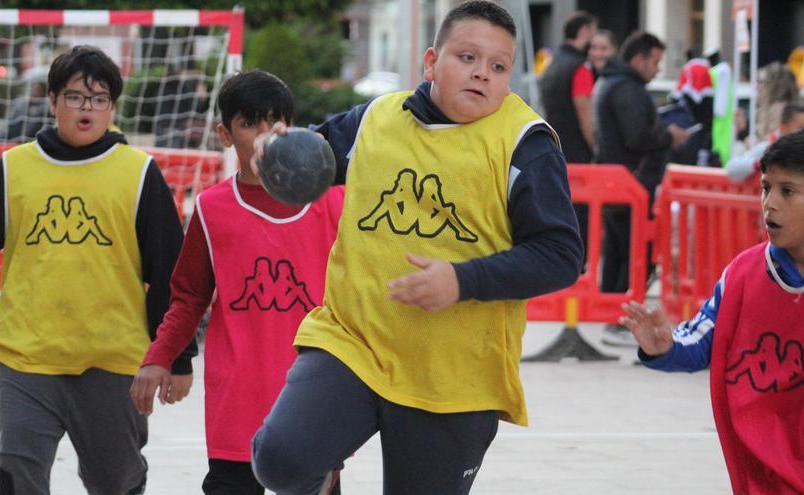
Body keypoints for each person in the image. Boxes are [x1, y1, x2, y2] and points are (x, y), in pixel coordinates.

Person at [249, 2, 583, 494]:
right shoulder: (375, 120)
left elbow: (561, 255)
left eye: (498, 66)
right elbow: (311, 156)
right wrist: (271, 153)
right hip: (353, 342)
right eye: (467, 57)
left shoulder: (525, 144)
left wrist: (461, 280)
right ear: (431, 63)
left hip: (455, 375)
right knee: (280, 459)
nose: (482, 74)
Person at [0, 45, 196, 494]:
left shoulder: (139, 173)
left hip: (113, 363)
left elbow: (170, 274)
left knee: (115, 482)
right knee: (17, 472)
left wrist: (174, 357)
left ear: (112, 107)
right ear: (52, 101)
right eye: (74, 96)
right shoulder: (13, 169)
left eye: (99, 98)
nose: (86, 108)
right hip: (26, 360)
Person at [129, 70, 344, 495]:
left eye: (275, 123)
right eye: (250, 124)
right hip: (236, 398)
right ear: (225, 134)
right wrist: (160, 356)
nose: (265, 136)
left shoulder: (331, 201)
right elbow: (188, 296)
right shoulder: (212, 208)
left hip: (311, 397)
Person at [621, 127, 804, 494]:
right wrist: (666, 346)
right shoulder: (743, 273)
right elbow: (703, 336)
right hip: (758, 479)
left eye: (788, 191)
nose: (770, 203)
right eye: (766, 187)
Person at [592, 31, 690, 346]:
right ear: (640, 58)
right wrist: (668, 136)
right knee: (635, 253)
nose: (658, 70)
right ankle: (619, 323)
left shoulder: (612, 83)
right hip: (631, 185)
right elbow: (637, 137)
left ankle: (612, 319)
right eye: (656, 62)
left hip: (617, 184)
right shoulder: (626, 88)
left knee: (620, 252)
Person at [540, 10, 597, 163]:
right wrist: (596, 149)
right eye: (594, 32)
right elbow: (585, 116)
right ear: (584, 31)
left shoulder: (552, 63)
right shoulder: (581, 67)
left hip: (553, 148)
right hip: (577, 154)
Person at [726, 103, 804, 182]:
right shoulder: (769, 149)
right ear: (783, 128)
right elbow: (732, 168)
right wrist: (760, 163)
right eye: (802, 128)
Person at [755, 62, 802, 142]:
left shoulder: (782, 109)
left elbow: (771, 140)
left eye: (762, 82)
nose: (758, 87)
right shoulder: (764, 108)